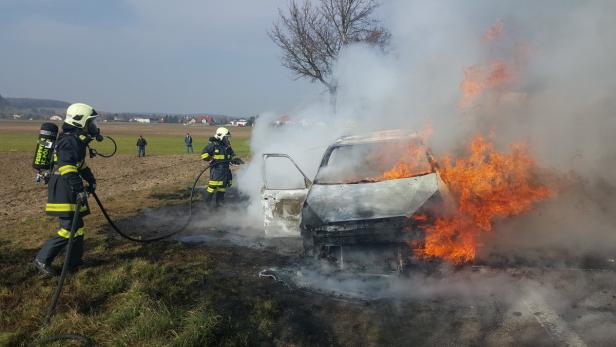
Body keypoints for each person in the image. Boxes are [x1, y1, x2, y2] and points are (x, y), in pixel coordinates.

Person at [34, 103, 100, 276]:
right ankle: (42, 259)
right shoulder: (69, 141)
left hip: (69, 186)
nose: (93, 126)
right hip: (64, 188)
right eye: (90, 122)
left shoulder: (76, 141)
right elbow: (67, 167)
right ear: (80, 122)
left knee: (78, 227)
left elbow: (80, 165)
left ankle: (74, 263)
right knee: (68, 228)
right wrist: (79, 189)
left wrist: (90, 180)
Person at [201, 127, 243, 207]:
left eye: (228, 137)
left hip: (225, 172)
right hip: (216, 171)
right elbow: (204, 154)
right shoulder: (213, 145)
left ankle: (219, 206)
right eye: (226, 137)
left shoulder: (227, 147)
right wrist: (210, 159)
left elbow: (230, 158)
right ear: (221, 136)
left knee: (222, 189)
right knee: (211, 188)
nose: (228, 139)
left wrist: (235, 160)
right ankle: (206, 206)